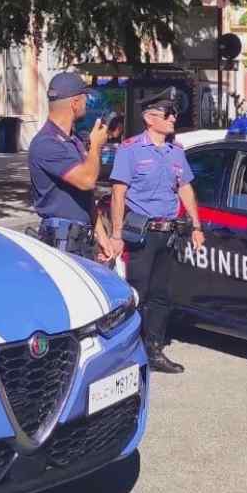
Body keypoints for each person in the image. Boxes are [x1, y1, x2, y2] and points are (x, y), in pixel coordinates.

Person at [107, 91, 206, 374]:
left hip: (169, 233)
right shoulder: (130, 150)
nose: (174, 118)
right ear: (150, 118)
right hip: (142, 233)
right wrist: (116, 234)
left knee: (162, 295)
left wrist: (196, 226)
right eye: (168, 113)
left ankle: (153, 350)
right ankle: (129, 351)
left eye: (174, 113)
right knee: (139, 292)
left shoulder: (176, 152)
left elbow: (185, 188)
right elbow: (118, 194)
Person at [27, 72, 111, 259]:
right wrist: (96, 145)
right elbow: (87, 181)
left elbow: (86, 196)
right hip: (62, 241)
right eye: (84, 98)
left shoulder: (72, 141)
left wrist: (101, 236)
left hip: (81, 239)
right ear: (74, 103)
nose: (86, 104)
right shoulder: (46, 143)